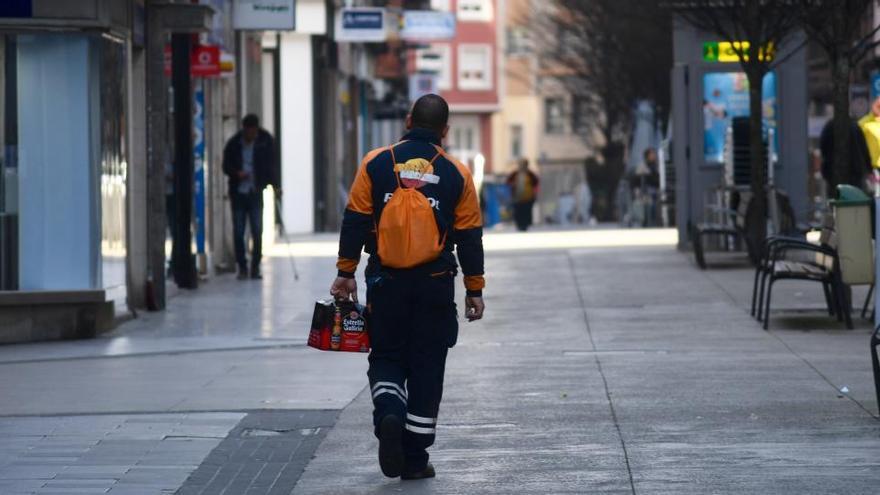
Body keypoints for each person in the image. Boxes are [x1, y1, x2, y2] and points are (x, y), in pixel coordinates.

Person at [330, 94, 486, 481]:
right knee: (427, 364)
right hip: (434, 284)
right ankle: (414, 459)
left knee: (386, 355)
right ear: (445, 131)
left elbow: (354, 218)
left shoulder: (375, 162)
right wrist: (474, 288)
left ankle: (389, 414)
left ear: (407, 120)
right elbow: (469, 236)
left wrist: (346, 271)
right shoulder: (456, 173)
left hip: (386, 282)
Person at [222, 114, 279, 280]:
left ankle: (255, 267)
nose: (251, 135)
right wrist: (236, 173)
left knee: (256, 229)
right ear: (244, 129)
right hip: (238, 192)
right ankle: (242, 266)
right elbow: (226, 166)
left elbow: (271, 165)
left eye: (253, 132)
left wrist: (275, 186)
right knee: (239, 231)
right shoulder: (234, 144)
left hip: (255, 191)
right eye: (248, 132)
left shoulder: (265, 140)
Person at [820, 117, 871, 192]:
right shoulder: (855, 126)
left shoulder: (830, 126)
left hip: (833, 171)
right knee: (854, 197)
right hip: (854, 172)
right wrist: (869, 168)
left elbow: (823, 147)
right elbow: (864, 149)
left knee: (835, 196)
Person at [629, 148, 661, 227]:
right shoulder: (642, 167)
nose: (653, 156)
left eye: (653, 154)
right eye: (651, 154)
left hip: (656, 191)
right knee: (647, 204)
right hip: (645, 192)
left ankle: (654, 222)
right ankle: (646, 222)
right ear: (647, 156)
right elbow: (636, 182)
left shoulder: (658, 166)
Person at [506, 159, 539, 231]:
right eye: (521, 164)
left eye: (524, 164)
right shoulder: (515, 173)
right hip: (517, 198)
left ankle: (525, 225)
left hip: (528, 197)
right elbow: (508, 181)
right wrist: (513, 184)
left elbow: (536, 182)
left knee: (526, 212)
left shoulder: (530, 174)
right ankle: (519, 225)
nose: (522, 166)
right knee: (518, 212)